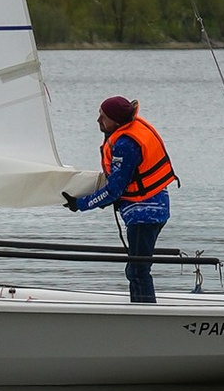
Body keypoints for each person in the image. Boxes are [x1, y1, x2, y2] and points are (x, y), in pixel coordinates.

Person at [67, 93, 177, 301]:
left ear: (116, 121)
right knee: (136, 268)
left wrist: (80, 204)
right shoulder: (129, 131)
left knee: (137, 270)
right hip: (155, 207)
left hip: (144, 214)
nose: (98, 120)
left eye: (103, 117)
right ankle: (141, 311)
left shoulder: (125, 144)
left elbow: (114, 190)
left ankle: (146, 317)